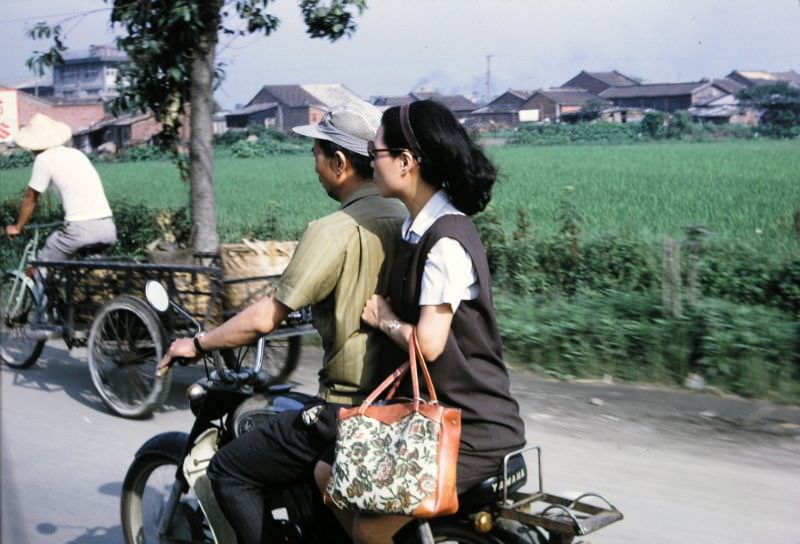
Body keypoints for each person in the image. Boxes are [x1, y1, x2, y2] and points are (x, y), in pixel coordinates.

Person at [156, 100, 407, 544]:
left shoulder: (334, 229)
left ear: (340, 162)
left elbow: (266, 317)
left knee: (229, 469)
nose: (313, 165)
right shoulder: (403, 217)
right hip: (399, 399)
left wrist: (196, 344)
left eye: (316, 153)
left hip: (344, 407)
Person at [317, 100, 527, 544]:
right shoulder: (418, 229)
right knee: (328, 474)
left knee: (369, 531)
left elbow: (428, 344)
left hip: (470, 427)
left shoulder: (445, 242)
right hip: (434, 416)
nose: (370, 163)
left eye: (375, 155)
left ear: (406, 162)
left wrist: (385, 318)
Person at [5, 113, 117, 260]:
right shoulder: (77, 154)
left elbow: (30, 198)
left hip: (80, 230)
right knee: (78, 271)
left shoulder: (43, 159)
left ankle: (41, 281)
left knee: (44, 263)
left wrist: (17, 227)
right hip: (108, 228)